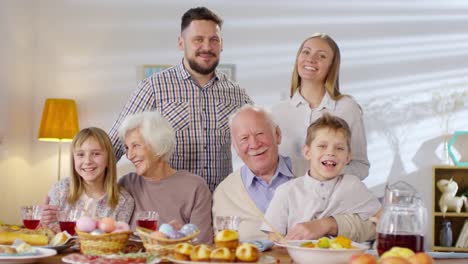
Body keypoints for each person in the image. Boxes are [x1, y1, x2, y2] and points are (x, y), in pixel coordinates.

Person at [108, 6, 252, 192]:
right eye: (198, 39)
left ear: (221, 44)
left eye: (213, 40)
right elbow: (113, 145)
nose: (207, 47)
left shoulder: (236, 94)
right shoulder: (153, 88)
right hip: (169, 205)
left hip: (219, 205)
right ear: (181, 43)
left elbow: (257, 141)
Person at [261, 113, 381, 242]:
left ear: (347, 157)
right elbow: (273, 236)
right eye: (322, 146)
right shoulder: (286, 191)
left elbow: (381, 217)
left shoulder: (352, 185)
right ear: (307, 152)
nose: (330, 152)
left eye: (339, 148)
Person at [272, 33, 369, 179]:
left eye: (322, 56)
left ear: (332, 66)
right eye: (306, 52)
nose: (311, 59)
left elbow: (361, 167)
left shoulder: (347, 108)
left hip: (334, 199)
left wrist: (323, 174)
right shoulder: (277, 112)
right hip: (287, 197)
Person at [118, 111, 213, 244]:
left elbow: (202, 245)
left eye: (136, 146)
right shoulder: (127, 184)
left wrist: (175, 238)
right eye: (127, 148)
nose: (129, 155)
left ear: (158, 144)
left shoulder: (194, 186)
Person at [212, 105, 295, 241]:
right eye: (244, 138)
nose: (254, 144)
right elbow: (225, 245)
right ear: (235, 148)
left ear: (277, 135)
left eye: (260, 134)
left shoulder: (312, 172)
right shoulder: (225, 192)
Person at [41, 127, 135, 232]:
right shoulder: (60, 190)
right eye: (80, 154)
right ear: (74, 160)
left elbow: (117, 240)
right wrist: (44, 222)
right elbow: (47, 234)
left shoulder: (123, 201)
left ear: (108, 159)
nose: (87, 161)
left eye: (96, 154)